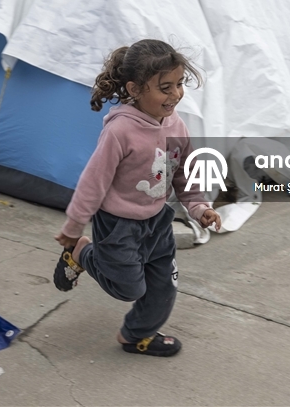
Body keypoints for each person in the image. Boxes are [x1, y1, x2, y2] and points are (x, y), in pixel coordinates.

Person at [53, 40, 222, 358]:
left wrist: (200, 207)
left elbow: (184, 173)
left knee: (163, 286)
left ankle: (136, 336)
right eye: (164, 88)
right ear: (135, 88)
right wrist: (74, 227)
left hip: (157, 222)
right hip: (118, 225)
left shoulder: (177, 125)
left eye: (179, 84)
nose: (175, 95)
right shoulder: (120, 132)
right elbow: (93, 183)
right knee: (129, 287)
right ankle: (82, 253)